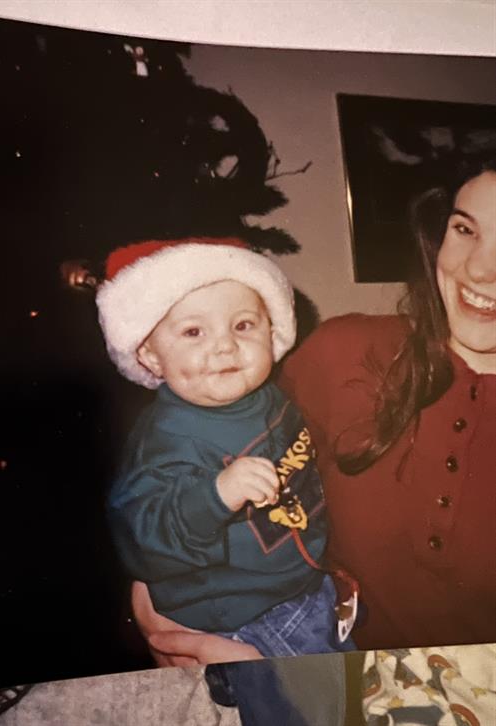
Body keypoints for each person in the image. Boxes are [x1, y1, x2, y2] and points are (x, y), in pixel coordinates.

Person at [133, 154, 496, 671]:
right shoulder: (341, 351)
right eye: (466, 229)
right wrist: (152, 590)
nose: (480, 268)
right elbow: (191, 449)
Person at [96, 237, 356, 660]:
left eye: (243, 325)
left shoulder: (270, 399)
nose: (224, 345)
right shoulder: (167, 437)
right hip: (242, 619)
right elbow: (142, 538)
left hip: (308, 587)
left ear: (272, 333)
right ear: (151, 355)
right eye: (193, 331)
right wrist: (216, 495)